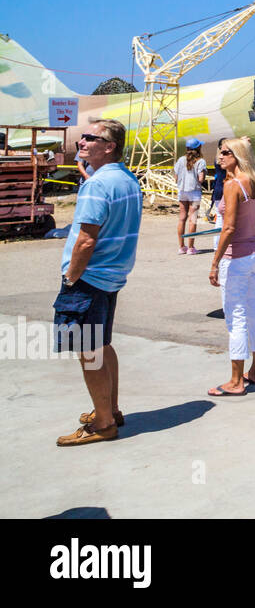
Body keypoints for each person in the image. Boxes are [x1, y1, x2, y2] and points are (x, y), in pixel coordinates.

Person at [54, 119, 142, 445]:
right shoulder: (127, 180)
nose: (82, 142)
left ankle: (103, 423)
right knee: (101, 345)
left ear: (110, 147)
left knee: (88, 351)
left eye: (91, 138)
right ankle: (111, 408)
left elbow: (86, 240)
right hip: (111, 277)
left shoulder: (97, 185)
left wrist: (70, 276)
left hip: (89, 279)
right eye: (83, 137)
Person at [207, 137, 255, 395]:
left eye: (224, 153)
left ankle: (235, 381)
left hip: (237, 258)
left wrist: (214, 262)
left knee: (235, 318)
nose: (219, 157)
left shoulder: (233, 185)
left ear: (237, 155)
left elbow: (229, 227)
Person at [174, 138, 206, 255]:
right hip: (194, 192)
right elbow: (201, 178)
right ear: (198, 148)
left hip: (182, 191)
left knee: (182, 218)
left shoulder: (181, 160)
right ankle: (191, 248)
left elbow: (176, 178)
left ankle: (181, 247)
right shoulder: (200, 161)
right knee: (192, 219)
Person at [208, 137, 228, 252]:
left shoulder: (217, 158)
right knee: (223, 219)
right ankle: (221, 245)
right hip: (224, 189)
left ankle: (217, 245)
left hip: (218, 189)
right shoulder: (225, 159)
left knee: (219, 219)